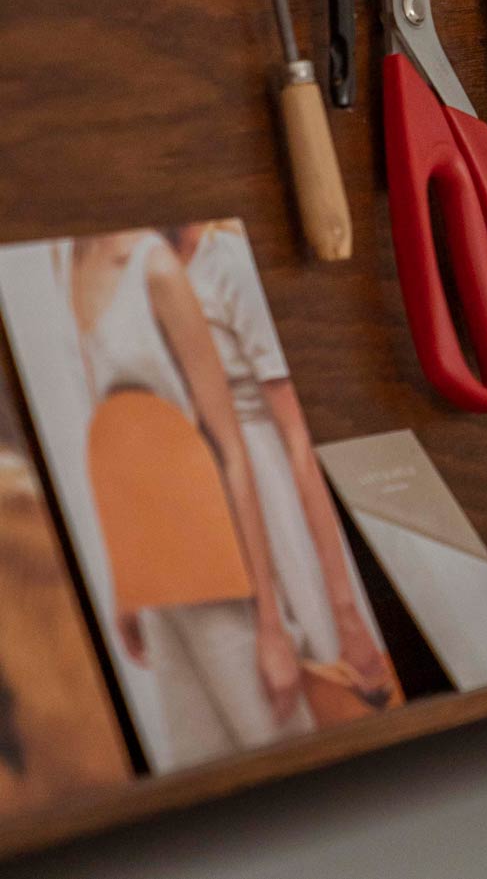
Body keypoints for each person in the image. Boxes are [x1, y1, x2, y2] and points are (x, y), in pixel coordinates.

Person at [67, 231, 310, 766]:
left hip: (220, 572)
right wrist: (124, 583)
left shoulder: (154, 269)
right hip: (157, 582)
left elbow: (230, 450)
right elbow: (118, 440)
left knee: (287, 771)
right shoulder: (72, 262)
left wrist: (271, 626)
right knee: (202, 777)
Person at [170, 223, 389, 701]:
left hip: (272, 479)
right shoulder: (150, 267)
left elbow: (297, 441)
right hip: (212, 489)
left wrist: (345, 612)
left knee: (324, 661)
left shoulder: (223, 261)